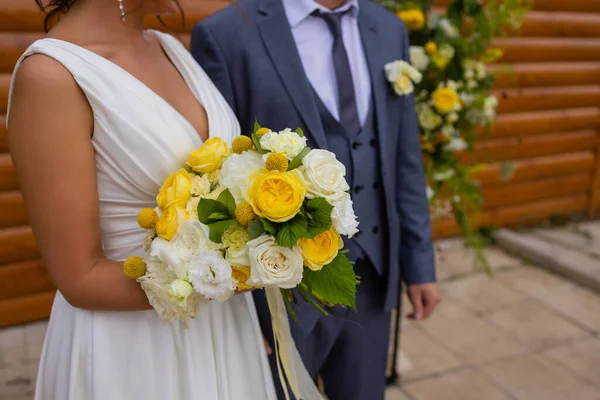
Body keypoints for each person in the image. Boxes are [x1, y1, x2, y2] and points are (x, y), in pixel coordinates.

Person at [7, 1, 277, 398]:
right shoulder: (50, 76)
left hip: (221, 322)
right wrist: (234, 274)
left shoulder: (168, 46)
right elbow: (79, 278)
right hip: (134, 350)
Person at [192, 0, 442, 398]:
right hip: (280, 291)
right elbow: (216, 180)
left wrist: (419, 261)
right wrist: (244, 309)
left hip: (373, 280)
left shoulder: (388, 28)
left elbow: (404, 155)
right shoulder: (227, 34)